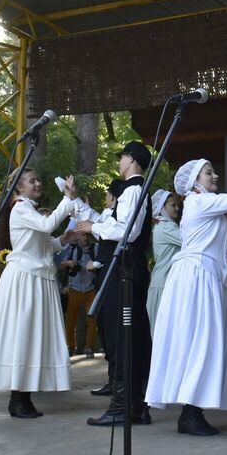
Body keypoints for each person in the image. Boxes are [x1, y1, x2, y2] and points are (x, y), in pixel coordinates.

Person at [145, 153, 227, 435]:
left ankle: (192, 411)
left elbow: (221, 247)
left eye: (213, 172)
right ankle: (190, 413)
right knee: (200, 341)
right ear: (194, 182)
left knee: (205, 342)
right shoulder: (200, 202)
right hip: (196, 280)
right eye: (208, 173)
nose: (214, 176)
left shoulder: (210, 210)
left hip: (207, 278)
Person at [73, 141, 155, 427]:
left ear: (131, 159)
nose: (119, 162)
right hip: (125, 272)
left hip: (125, 273)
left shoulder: (133, 190)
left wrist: (92, 227)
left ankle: (124, 406)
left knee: (123, 336)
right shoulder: (133, 191)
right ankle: (135, 405)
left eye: (121, 157)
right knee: (127, 336)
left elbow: (127, 233)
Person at [0, 169, 77, 418]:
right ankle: (18, 398)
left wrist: (64, 240)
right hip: (25, 279)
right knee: (23, 334)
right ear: (19, 187)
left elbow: (44, 244)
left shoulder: (30, 209)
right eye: (32, 180)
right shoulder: (20, 208)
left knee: (33, 336)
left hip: (37, 279)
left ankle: (23, 397)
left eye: (39, 178)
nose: (38, 183)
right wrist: (67, 200)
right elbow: (47, 225)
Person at [79, 179, 126, 396]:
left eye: (107, 196)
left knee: (113, 328)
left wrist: (98, 263)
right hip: (104, 276)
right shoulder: (108, 218)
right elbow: (95, 222)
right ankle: (113, 377)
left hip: (113, 278)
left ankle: (119, 379)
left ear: (114, 198)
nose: (105, 200)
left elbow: (99, 227)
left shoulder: (117, 220)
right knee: (106, 328)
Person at [56, 232, 98, 357]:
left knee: (92, 320)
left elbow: (101, 263)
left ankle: (89, 348)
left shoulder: (96, 248)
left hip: (91, 288)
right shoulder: (72, 248)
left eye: (85, 235)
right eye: (80, 236)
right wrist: (69, 263)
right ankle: (71, 347)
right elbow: (59, 264)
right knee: (70, 321)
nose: (83, 238)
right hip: (74, 288)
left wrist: (93, 267)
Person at [147, 189, 182, 333]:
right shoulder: (167, 227)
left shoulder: (162, 226)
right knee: (164, 331)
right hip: (164, 284)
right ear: (162, 207)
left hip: (163, 282)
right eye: (173, 205)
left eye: (178, 205)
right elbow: (192, 240)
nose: (177, 208)